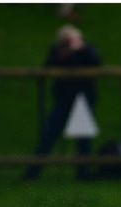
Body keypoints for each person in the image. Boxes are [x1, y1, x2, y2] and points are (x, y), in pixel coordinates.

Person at [24, 25, 101, 180]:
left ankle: (83, 174)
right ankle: (33, 173)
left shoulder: (87, 50)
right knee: (48, 137)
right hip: (64, 101)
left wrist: (80, 49)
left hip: (82, 101)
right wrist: (63, 54)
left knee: (83, 141)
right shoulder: (57, 52)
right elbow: (48, 66)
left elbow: (96, 61)